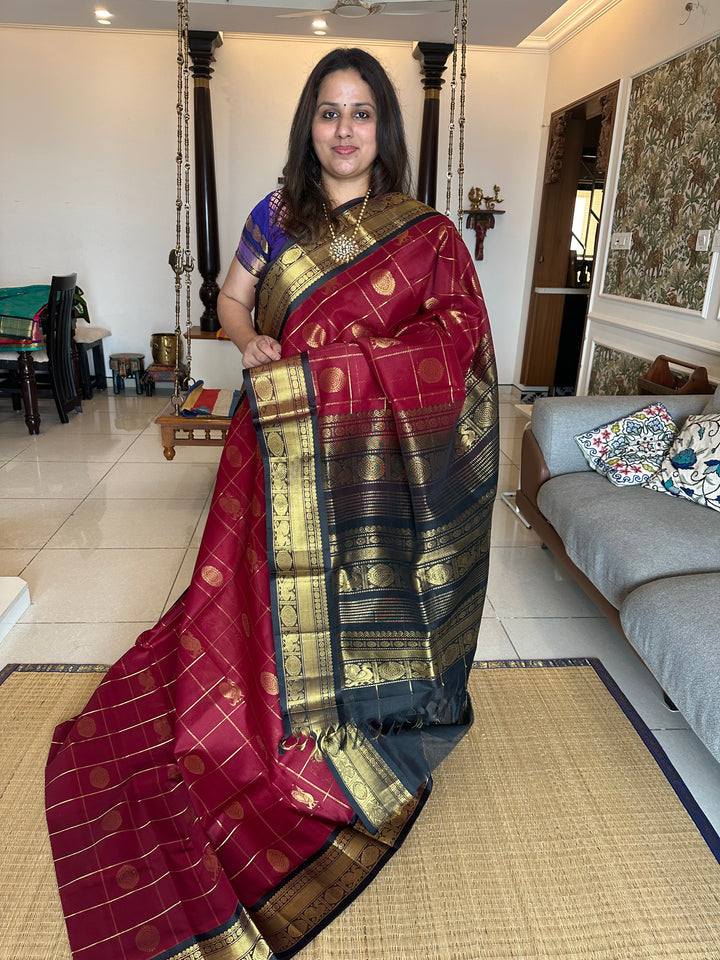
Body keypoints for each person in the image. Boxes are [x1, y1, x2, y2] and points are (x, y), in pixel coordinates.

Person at [45, 47, 498, 960]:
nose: (344, 129)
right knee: (264, 587)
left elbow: (455, 345)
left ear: (384, 128)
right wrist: (252, 344)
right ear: (309, 124)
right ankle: (264, 716)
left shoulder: (426, 234)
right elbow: (231, 302)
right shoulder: (273, 212)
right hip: (280, 435)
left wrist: (347, 374)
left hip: (370, 463)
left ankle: (359, 727)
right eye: (328, 112)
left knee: (353, 592)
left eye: (361, 112)